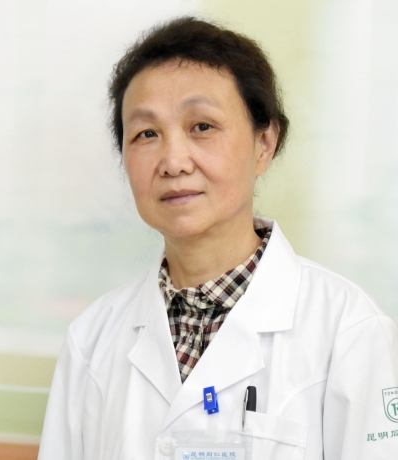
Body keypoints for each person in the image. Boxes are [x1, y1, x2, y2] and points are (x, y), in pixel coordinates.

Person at [38, 17, 398, 460]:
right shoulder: (92, 340)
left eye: (202, 126)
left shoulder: (348, 330)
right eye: (146, 134)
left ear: (264, 143)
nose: (173, 161)